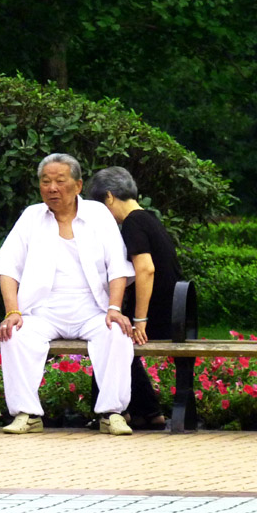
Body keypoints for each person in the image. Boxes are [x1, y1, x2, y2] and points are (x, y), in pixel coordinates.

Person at [0, 153, 136, 436]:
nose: (52, 188)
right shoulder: (32, 216)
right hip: (43, 310)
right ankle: (27, 414)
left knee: (117, 333)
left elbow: (117, 267)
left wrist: (114, 308)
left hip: (92, 309)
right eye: (46, 182)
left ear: (78, 185)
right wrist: (12, 311)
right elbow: (7, 267)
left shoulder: (98, 214)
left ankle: (112, 413)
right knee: (14, 334)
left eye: (60, 181)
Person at [87, 166, 182, 429]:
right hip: (175, 310)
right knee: (113, 335)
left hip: (159, 314)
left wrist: (140, 319)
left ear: (108, 197)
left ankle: (116, 412)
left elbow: (145, 269)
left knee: (109, 336)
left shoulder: (132, 223)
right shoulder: (147, 217)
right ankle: (147, 413)